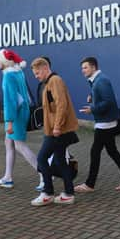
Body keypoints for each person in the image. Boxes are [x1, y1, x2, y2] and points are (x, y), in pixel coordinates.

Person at [74, 57, 120, 193]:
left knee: (95, 152)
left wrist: (92, 109)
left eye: (85, 67)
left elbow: (109, 102)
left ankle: (90, 184)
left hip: (105, 123)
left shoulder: (101, 81)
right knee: (112, 151)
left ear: (93, 67)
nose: (82, 71)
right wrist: (92, 96)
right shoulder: (96, 80)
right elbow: (101, 96)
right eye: (82, 68)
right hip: (104, 122)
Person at [0, 49, 43, 190]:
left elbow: (11, 101)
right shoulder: (18, 72)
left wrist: (9, 121)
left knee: (19, 145)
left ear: (5, 61)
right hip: (22, 111)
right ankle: (7, 177)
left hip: (16, 115)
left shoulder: (8, 76)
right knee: (9, 143)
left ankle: (44, 173)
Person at [30, 57, 79, 206]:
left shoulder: (54, 81)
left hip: (57, 131)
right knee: (59, 160)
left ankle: (48, 193)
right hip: (55, 130)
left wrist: (57, 126)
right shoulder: (50, 82)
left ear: (45, 68)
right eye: (35, 73)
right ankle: (68, 194)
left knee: (41, 159)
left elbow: (61, 104)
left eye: (38, 73)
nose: (36, 76)